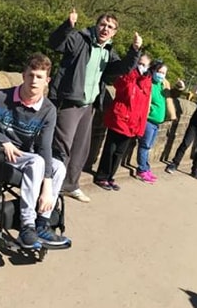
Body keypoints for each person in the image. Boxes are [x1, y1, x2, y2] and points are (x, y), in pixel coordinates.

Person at [0, 54, 71, 249]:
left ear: (47, 81)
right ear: (23, 76)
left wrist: (47, 188)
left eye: (39, 77)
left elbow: (44, 147)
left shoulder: (48, 110)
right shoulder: (0, 98)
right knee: (37, 162)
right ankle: (27, 225)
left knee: (59, 167)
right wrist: (3, 141)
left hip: (27, 155)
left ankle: (42, 224)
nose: (34, 81)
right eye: (31, 75)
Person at [48, 10, 142, 202]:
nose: (105, 29)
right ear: (96, 25)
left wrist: (134, 51)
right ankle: (51, 187)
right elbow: (55, 43)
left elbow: (121, 69)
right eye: (103, 24)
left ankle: (70, 186)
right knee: (62, 147)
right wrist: (68, 25)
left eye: (110, 27)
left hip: (89, 104)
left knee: (80, 149)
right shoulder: (80, 39)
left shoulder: (108, 50)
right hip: (70, 101)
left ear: (114, 32)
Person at [94, 53, 154, 190]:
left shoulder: (147, 82)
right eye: (139, 63)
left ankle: (110, 177)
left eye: (144, 65)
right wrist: (133, 72)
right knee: (110, 149)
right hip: (120, 118)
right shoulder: (127, 75)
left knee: (119, 152)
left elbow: (144, 107)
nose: (141, 67)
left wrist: (140, 127)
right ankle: (102, 176)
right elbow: (120, 86)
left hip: (132, 123)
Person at [135, 61, 168, 183]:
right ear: (153, 71)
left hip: (156, 122)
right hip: (148, 121)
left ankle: (146, 168)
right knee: (144, 146)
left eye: (163, 73)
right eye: (159, 72)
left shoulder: (162, 85)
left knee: (148, 146)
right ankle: (142, 169)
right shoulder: (150, 84)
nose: (161, 75)